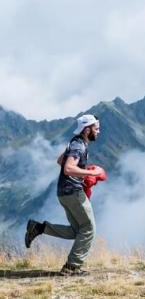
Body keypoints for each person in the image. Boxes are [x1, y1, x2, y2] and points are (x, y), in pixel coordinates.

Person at [24, 113, 102, 276]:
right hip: (73, 192)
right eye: (96, 128)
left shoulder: (74, 143)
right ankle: (72, 267)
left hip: (64, 193)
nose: (98, 131)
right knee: (88, 229)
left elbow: (60, 161)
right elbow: (67, 167)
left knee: (77, 231)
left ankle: (39, 228)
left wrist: (82, 171)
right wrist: (91, 174)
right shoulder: (79, 146)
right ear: (87, 130)